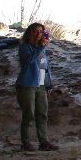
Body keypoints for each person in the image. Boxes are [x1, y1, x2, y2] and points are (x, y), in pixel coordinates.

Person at [15, 23, 58, 151]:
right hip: (27, 85)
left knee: (42, 114)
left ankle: (44, 142)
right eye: (36, 31)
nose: (38, 34)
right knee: (29, 114)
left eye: (41, 31)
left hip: (41, 85)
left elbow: (45, 66)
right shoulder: (25, 47)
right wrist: (41, 48)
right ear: (30, 32)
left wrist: (48, 83)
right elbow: (29, 60)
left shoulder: (41, 48)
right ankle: (25, 143)